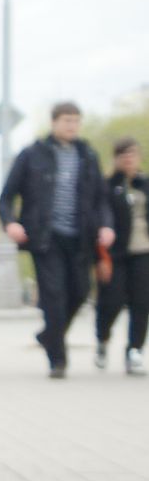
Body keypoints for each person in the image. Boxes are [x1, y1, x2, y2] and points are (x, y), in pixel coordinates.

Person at [0, 102, 115, 378]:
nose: (71, 126)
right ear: (54, 122)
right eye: (66, 120)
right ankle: (57, 360)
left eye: (76, 120)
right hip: (45, 238)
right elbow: (6, 196)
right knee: (54, 296)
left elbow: (101, 198)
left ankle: (49, 335)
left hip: (81, 237)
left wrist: (106, 226)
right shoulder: (32, 154)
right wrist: (11, 223)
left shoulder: (87, 155)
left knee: (80, 291)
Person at [95, 137, 149, 375]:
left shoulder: (145, 184)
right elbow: (98, 221)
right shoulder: (106, 187)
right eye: (124, 155)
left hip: (143, 251)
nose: (129, 159)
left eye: (133, 154)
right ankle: (102, 339)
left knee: (142, 302)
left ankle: (134, 350)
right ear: (116, 159)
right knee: (112, 301)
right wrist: (98, 257)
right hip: (115, 253)